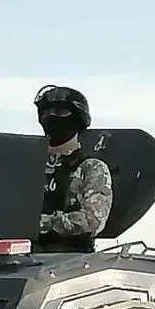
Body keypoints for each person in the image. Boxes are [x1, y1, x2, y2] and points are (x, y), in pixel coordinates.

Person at [33, 85, 113, 251]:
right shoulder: (29, 165)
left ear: (78, 118)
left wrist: (43, 223)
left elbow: (92, 220)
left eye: (60, 112)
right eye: (45, 112)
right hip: (22, 258)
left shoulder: (91, 168)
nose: (51, 117)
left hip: (72, 263)